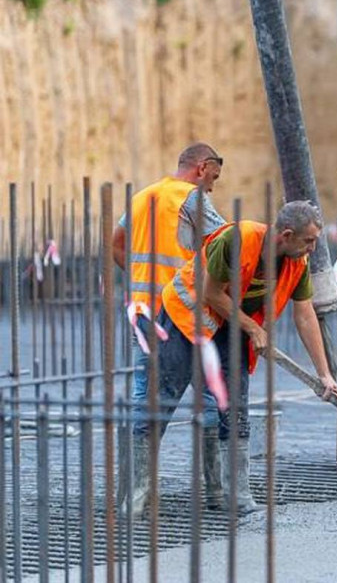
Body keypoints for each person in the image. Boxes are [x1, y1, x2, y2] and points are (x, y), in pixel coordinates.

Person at [133, 200, 337, 514]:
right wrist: (252, 328)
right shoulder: (238, 239)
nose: (313, 248)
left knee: (234, 408)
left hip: (230, 326)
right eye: (308, 241)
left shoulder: (296, 262)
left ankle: (233, 497)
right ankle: (136, 496)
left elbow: (305, 316)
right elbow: (210, 292)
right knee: (161, 401)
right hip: (184, 319)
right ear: (287, 234)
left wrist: (324, 373)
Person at [112, 143, 227, 515]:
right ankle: (216, 493)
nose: (211, 187)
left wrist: (137, 277)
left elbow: (116, 244)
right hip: (180, 314)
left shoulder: (144, 195)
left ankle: (136, 497)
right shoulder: (190, 198)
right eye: (212, 177)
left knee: (146, 396)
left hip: (142, 309)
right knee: (210, 395)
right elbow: (226, 248)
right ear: (202, 167)